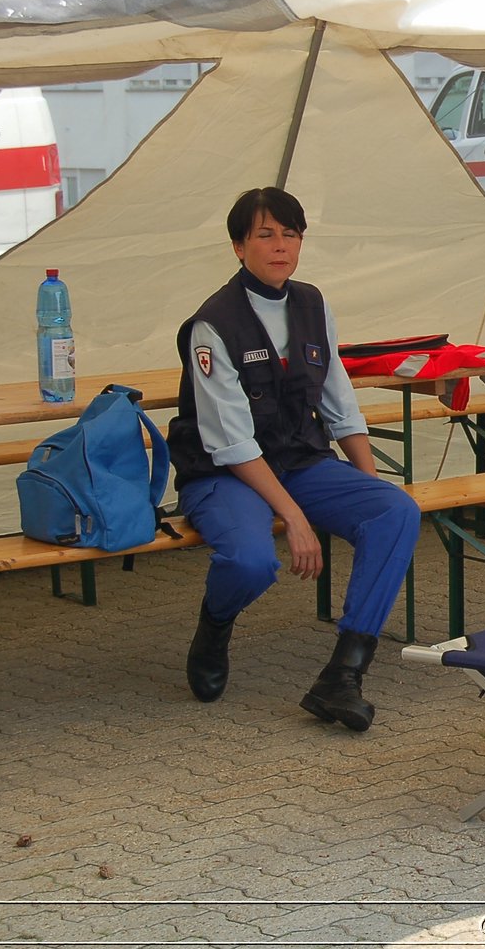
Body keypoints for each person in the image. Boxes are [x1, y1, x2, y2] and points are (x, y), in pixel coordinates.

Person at [168, 187, 421, 730]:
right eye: (264, 234)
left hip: (299, 462)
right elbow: (232, 444)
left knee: (395, 510)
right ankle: (215, 625)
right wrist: (299, 521)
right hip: (225, 473)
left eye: (290, 233)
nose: (279, 245)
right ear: (239, 246)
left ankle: (343, 676)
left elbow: (340, 404)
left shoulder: (312, 303)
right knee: (251, 563)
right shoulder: (213, 324)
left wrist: (370, 487)